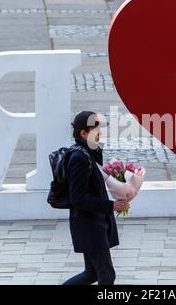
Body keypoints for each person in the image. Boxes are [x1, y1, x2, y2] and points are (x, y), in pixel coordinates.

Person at [62, 111, 130, 285]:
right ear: (83, 133)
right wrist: (111, 206)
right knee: (107, 275)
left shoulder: (89, 152)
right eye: (95, 130)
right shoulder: (79, 158)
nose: (100, 133)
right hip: (89, 226)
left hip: (94, 223)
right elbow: (78, 198)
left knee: (92, 273)